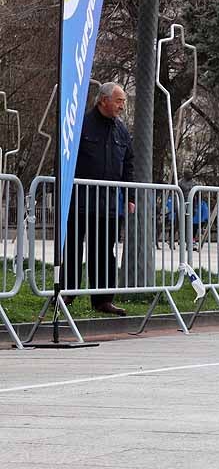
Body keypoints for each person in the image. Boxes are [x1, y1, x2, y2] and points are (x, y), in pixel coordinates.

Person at [64, 82, 134, 316]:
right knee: (73, 249)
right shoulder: (81, 124)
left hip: (109, 204)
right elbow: (66, 158)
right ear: (103, 100)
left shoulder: (121, 130)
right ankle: (66, 294)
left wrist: (130, 197)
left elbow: (129, 164)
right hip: (80, 200)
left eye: (123, 101)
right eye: (119, 101)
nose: (122, 106)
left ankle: (103, 299)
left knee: (105, 252)